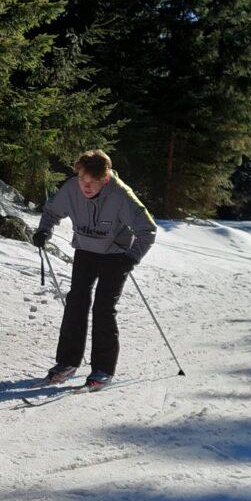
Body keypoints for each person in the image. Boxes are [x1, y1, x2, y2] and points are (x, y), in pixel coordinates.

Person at [33, 148, 157, 389]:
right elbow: (52, 211)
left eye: (93, 182)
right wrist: (43, 230)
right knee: (76, 302)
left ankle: (103, 369)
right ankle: (67, 362)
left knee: (103, 308)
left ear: (106, 179)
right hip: (86, 250)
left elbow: (148, 230)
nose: (86, 186)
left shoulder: (121, 195)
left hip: (116, 256)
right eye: (82, 179)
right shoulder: (72, 188)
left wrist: (131, 258)